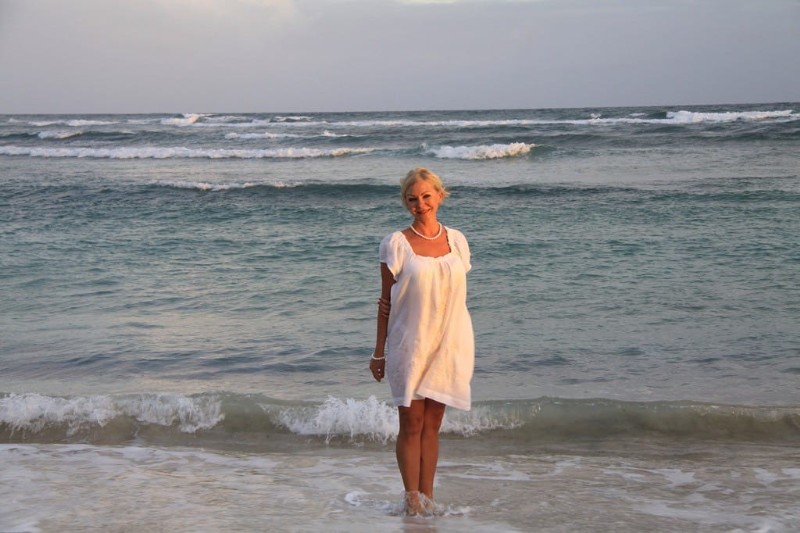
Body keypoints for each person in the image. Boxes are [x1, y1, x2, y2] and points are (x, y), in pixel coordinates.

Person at [370, 167, 474, 516]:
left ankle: (428, 499)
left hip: (449, 345)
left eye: (427, 196)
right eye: (412, 199)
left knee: (433, 426)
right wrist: (378, 353)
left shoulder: (457, 241)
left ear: (440, 196)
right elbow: (385, 303)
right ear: (406, 203)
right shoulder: (395, 244)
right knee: (411, 424)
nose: (421, 204)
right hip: (410, 345)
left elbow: (454, 294)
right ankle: (411, 499)